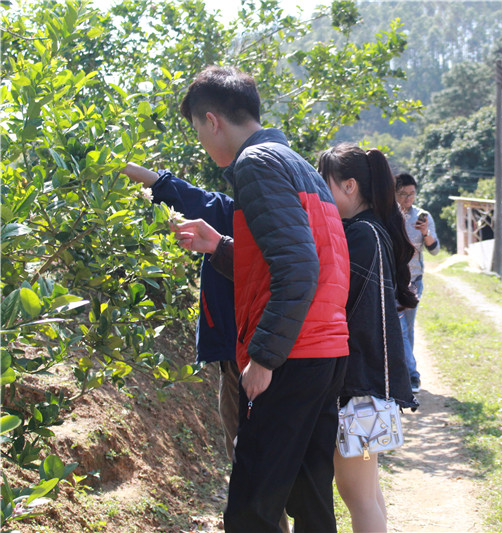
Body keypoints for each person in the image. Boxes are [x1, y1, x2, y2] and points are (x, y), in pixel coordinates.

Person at [171, 65, 350, 532]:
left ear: (212, 120)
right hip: (323, 350)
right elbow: (295, 257)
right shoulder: (294, 162)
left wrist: (265, 357)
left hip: (291, 352)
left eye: (197, 130)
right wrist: (221, 247)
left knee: (252, 507)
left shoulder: (254, 164)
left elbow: (299, 268)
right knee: (310, 498)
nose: (203, 145)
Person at [317, 144, 418, 532]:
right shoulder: (372, 230)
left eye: (325, 185)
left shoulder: (361, 235)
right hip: (369, 383)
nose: (322, 195)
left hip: (358, 385)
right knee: (366, 491)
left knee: (357, 494)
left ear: (349, 186)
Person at [121, 164, 240, 459]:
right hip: (278, 351)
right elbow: (169, 186)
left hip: (245, 355)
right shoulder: (294, 219)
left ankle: (258, 504)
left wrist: (116, 164)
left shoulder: (230, 213)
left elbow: (172, 189)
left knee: (246, 452)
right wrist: (119, 164)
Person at [394, 172, 439, 393]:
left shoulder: (422, 215)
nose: (408, 199)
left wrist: (426, 232)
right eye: (403, 194)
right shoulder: (388, 215)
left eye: (412, 194)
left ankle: (406, 373)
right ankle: (412, 376)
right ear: (395, 193)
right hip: (393, 282)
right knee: (401, 329)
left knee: (408, 329)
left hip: (414, 281)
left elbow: (435, 249)